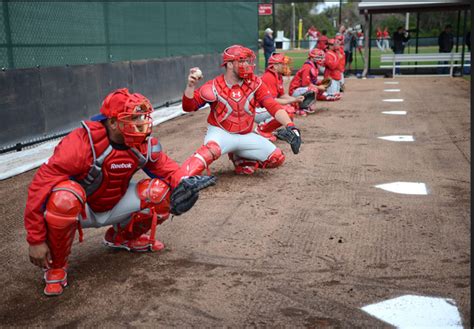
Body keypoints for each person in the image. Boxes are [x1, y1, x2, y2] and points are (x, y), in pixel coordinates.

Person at [25, 88, 216, 296]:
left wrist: (184, 184)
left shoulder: (141, 144)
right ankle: (56, 267)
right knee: (64, 197)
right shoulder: (81, 144)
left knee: (160, 192)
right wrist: (35, 239)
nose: (140, 124)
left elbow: (168, 170)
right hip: (83, 209)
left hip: (115, 202)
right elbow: (39, 187)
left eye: (141, 117)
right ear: (113, 122)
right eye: (132, 118)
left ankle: (122, 237)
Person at [180, 45, 302, 176]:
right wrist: (190, 86)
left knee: (277, 158)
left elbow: (272, 106)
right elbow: (189, 107)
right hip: (221, 133)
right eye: (242, 61)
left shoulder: (255, 83)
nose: (247, 65)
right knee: (211, 150)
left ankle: (241, 158)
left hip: (245, 134)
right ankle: (180, 178)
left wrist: (290, 126)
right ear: (230, 64)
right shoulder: (214, 85)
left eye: (247, 61)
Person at [255, 53, 303, 141]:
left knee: (289, 109)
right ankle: (262, 129)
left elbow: (282, 95)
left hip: (265, 109)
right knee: (287, 110)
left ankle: (267, 129)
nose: (285, 66)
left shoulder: (278, 76)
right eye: (282, 64)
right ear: (275, 66)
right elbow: (273, 101)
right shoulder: (269, 77)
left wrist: (294, 99)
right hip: (257, 110)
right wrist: (292, 100)